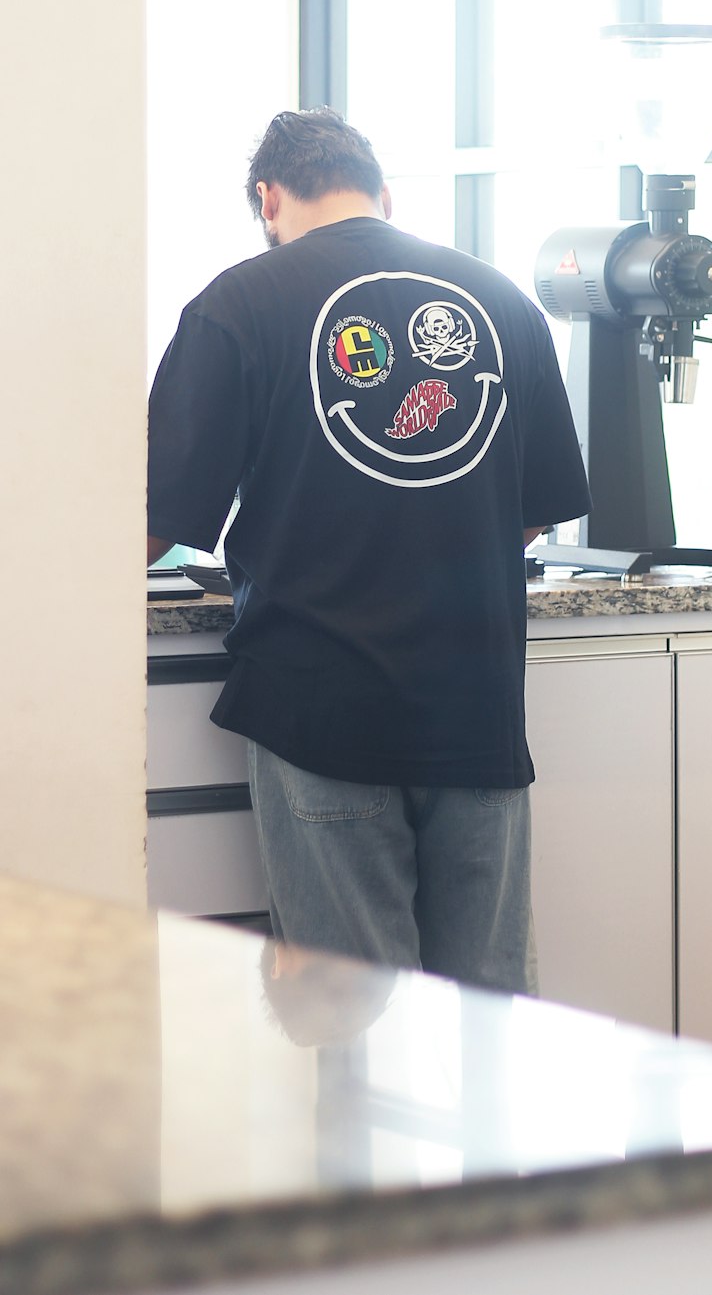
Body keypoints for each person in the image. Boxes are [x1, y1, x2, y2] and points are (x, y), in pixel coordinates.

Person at [147, 109, 591, 994]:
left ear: (268, 198)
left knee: (354, 1014)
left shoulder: (237, 303)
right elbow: (537, 513)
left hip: (322, 708)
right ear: (383, 194)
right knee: (491, 1015)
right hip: (477, 709)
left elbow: (155, 520)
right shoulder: (504, 301)